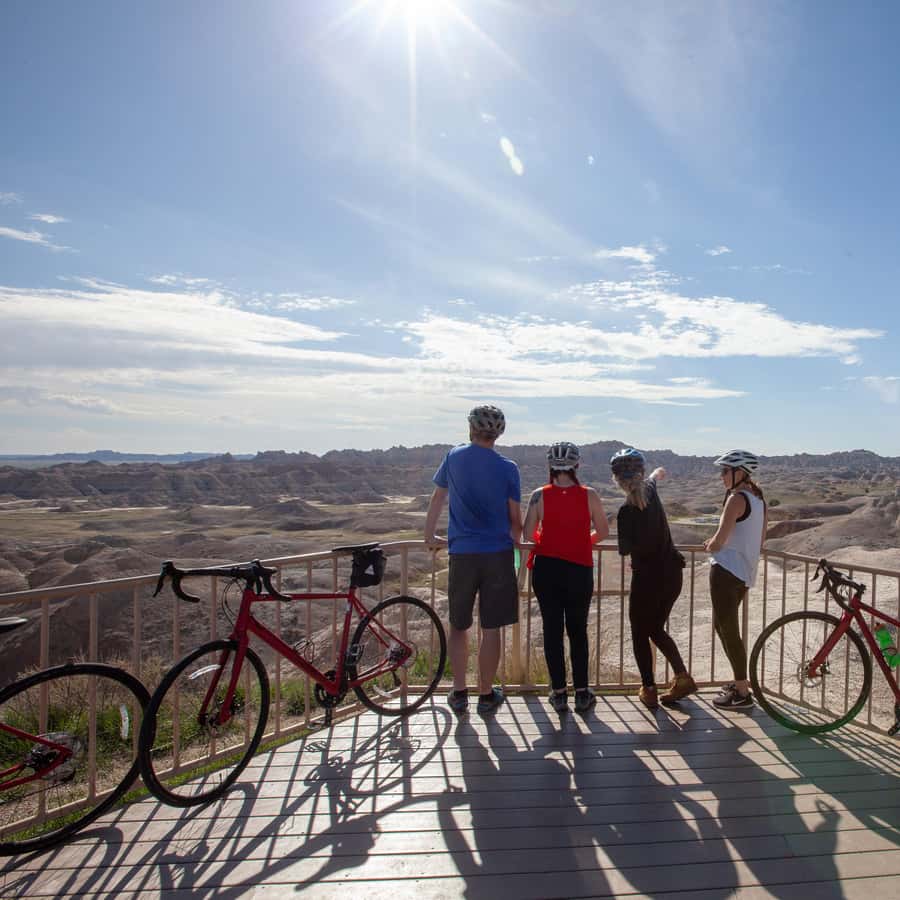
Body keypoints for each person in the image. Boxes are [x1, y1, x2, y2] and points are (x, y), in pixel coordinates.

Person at [424, 404, 522, 715]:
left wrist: (430, 536)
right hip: (498, 554)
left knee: (458, 625)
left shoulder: (453, 457)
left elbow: (438, 497)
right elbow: (515, 519)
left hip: (462, 553)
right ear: (498, 433)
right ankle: (485, 694)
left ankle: (458, 691)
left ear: (471, 429)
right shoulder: (508, 468)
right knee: (491, 628)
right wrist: (519, 541)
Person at [522, 441, 609, 713]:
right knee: (577, 630)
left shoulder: (539, 495)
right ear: (577, 466)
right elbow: (603, 531)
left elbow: (527, 534)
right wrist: (582, 541)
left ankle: (558, 693)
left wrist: (548, 543)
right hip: (579, 569)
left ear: (550, 466)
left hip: (546, 569)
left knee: (552, 630)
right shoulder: (590, 495)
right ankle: (582, 692)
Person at [611, 447, 696, 710]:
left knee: (640, 632)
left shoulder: (626, 511)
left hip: (646, 580)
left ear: (616, 479)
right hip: (672, 575)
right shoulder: (650, 490)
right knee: (655, 628)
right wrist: (660, 472)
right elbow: (655, 477)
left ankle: (649, 689)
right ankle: (682, 678)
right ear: (642, 472)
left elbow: (624, 549)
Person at [704, 449, 767, 709]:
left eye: (724, 471)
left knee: (728, 631)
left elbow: (719, 540)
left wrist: (710, 544)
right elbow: (761, 539)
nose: (721, 476)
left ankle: (742, 692)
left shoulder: (736, 499)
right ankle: (739, 684)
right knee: (724, 628)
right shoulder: (758, 500)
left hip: (725, 571)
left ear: (739, 473)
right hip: (743, 573)